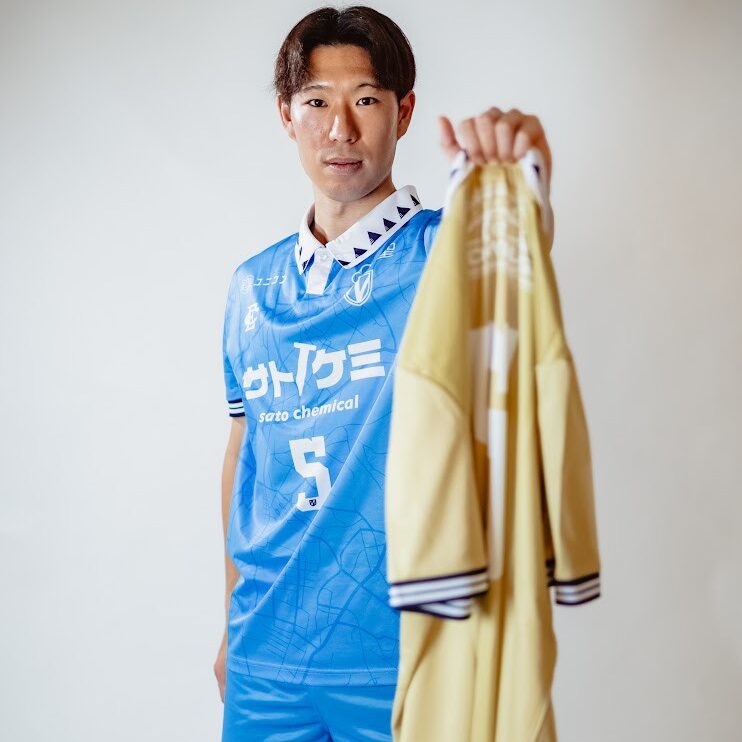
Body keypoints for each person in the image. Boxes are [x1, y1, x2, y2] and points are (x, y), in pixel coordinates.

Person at [215, 6, 553, 741]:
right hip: (265, 655)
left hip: (405, 654)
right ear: (287, 115)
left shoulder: (444, 252)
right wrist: (229, 625)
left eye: (365, 99)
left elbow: (516, 255)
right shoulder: (251, 288)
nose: (340, 128)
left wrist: (529, 173)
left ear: (402, 113)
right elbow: (246, 454)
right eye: (317, 102)